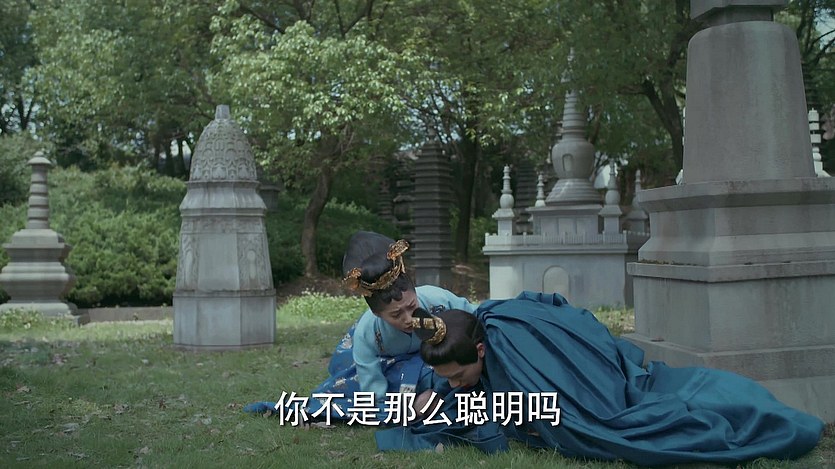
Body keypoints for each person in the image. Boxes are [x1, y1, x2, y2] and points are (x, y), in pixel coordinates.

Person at [385, 291, 824, 465]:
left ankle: (758, 417)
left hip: (598, 380)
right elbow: (456, 385)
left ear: (481, 350)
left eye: (459, 375)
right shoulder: (464, 340)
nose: (454, 383)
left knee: (615, 422)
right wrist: (434, 396)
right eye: (446, 377)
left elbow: (558, 413)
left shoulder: (514, 347)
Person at [246, 231, 477, 420]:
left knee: (447, 370)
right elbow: (374, 389)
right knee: (351, 394)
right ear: (376, 313)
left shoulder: (438, 299)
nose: (408, 319)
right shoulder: (368, 331)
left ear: (416, 292)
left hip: (432, 357)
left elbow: (476, 319)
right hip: (390, 365)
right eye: (396, 314)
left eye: (411, 306)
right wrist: (395, 408)